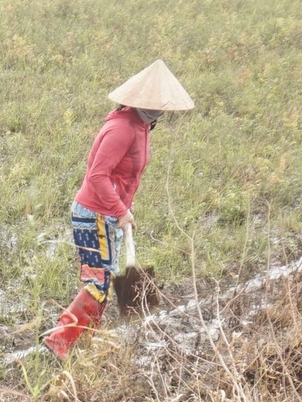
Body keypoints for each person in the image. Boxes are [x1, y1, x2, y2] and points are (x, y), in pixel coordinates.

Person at [43, 60, 194, 359]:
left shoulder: (142, 125)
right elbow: (97, 175)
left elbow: (124, 176)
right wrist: (119, 210)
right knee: (98, 283)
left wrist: (125, 208)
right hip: (94, 215)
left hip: (111, 215)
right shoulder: (122, 128)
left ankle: (83, 340)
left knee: (106, 279)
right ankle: (60, 340)